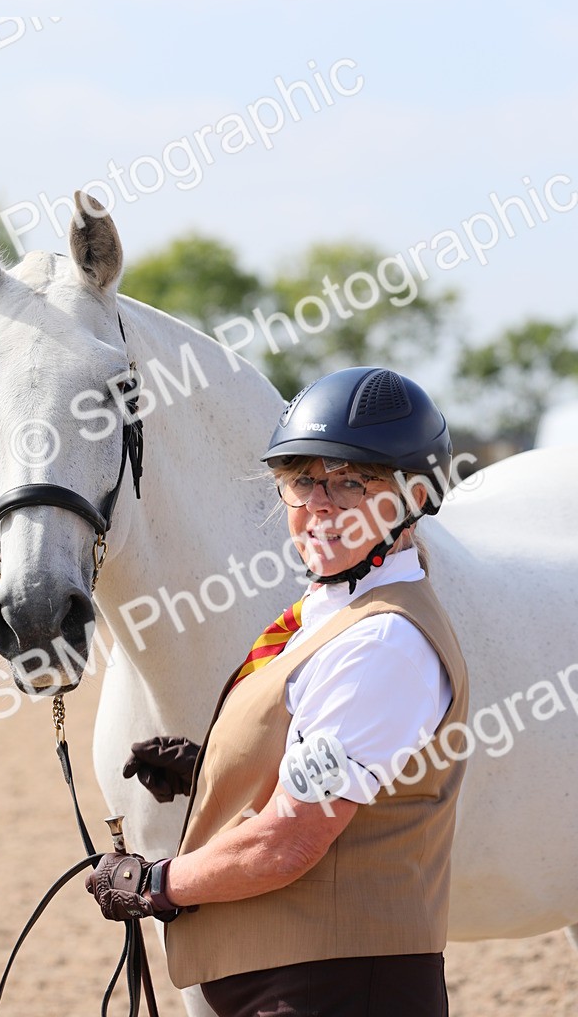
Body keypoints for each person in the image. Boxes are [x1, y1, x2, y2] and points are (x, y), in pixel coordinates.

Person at [87, 366, 469, 1017]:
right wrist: (213, 769)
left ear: (414, 497)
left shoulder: (380, 644)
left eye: (350, 482)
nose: (318, 505)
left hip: (336, 992)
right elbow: (326, 766)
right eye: (300, 480)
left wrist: (154, 884)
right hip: (296, 986)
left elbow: (288, 841)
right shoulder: (331, 616)